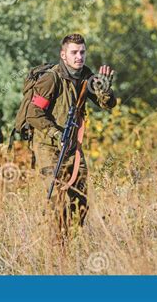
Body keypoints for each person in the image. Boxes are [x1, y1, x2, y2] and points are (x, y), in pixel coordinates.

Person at [26, 33, 116, 232]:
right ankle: (58, 248)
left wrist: (106, 91)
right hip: (48, 146)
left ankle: (74, 240)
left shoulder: (86, 76)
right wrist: (56, 134)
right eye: (74, 52)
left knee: (81, 198)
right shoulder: (51, 79)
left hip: (72, 147)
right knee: (57, 201)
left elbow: (107, 104)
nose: (79, 57)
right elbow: (33, 114)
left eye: (82, 52)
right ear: (63, 54)